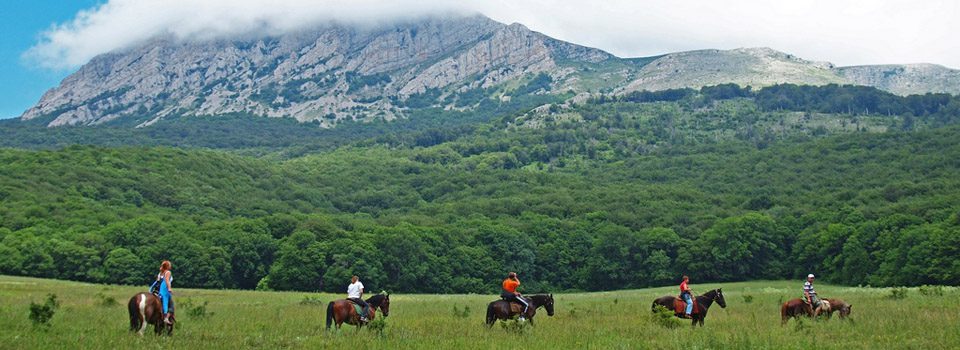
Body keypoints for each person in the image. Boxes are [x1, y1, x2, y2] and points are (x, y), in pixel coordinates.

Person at [157, 260, 174, 325]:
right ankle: (166, 318)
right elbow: (167, 281)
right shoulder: (168, 272)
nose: (170, 266)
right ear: (167, 266)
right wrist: (169, 288)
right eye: (170, 265)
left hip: (159, 290)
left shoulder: (160, 273)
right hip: (165, 289)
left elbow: (157, 282)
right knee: (170, 304)